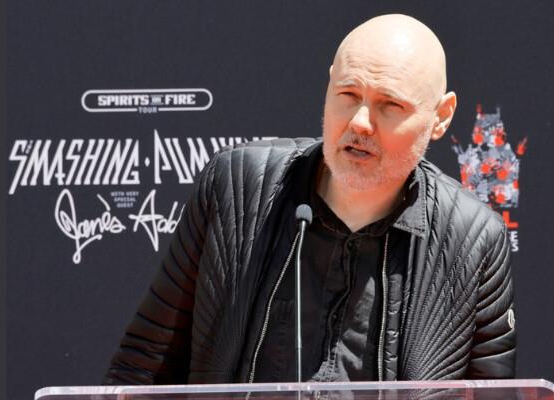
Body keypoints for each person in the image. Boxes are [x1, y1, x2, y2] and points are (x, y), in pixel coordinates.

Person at [103, 13, 515, 385]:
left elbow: (495, 396)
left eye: (389, 104)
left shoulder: (474, 240)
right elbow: (143, 369)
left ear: (440, 117)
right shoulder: (236, 188)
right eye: (348, 94)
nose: (359, 122)